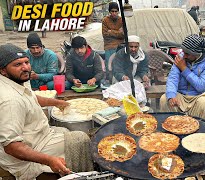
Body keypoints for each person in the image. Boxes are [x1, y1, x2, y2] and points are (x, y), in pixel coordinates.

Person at [0, 43, 93, 179]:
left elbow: (31, 97)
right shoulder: (10, 101)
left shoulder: (17, 79)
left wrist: (58, 102)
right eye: (17, 64)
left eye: (26, 62)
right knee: (81, 139)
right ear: (3, 70)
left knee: (67, 131)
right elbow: (12, 146)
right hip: (29, 150)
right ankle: (78, 174)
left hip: (39, 135)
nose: (25, 67)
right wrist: (49, 160)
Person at [160, 34, 205, 119]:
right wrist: (171, 95)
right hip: (181, 94)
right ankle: (170, 128)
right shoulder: (181, 56)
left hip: (198, 96)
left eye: (187, 54)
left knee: (203, 103)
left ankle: (198, 131)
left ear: (196, 54)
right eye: (183, 52)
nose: (184, 55)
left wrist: (184, 68)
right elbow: (172, 78)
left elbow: (201, 86)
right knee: (164, 99)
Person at [102, 2, 124, 82]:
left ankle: (121, 82)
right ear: (109, 12)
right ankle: (110, 82)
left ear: (118, 11)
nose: (114, 13)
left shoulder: (122, 20)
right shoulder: (105, 20)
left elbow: (123, 35)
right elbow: (105, 35)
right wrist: (117, 32)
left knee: (120, 66)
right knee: (109, 67)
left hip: (120, 46)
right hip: (109, 46)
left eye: (116, 11)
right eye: (112, 11)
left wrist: (111, 31)